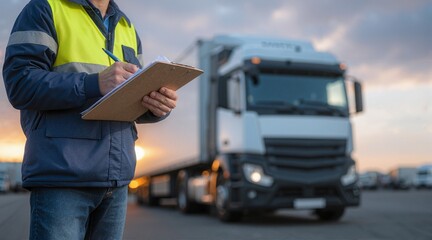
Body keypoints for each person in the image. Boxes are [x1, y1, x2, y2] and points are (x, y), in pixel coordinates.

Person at [2, 0, 177, 239]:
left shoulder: (126, 25)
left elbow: (126, 97)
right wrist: (94, 83)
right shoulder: (46, 8)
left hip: (115, 180)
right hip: (62, 176)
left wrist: (156, 106)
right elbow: (20, 84)